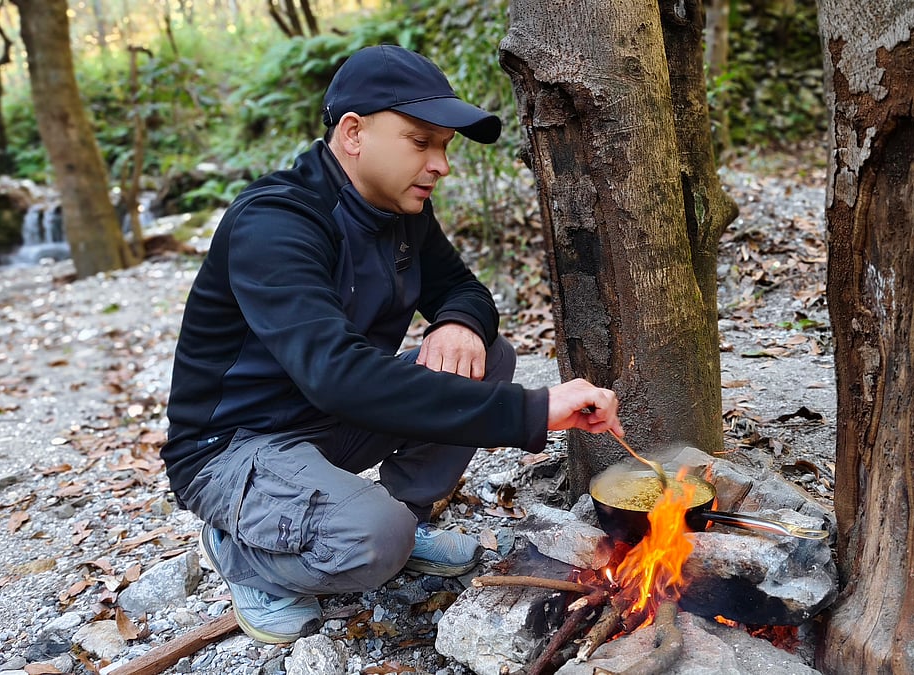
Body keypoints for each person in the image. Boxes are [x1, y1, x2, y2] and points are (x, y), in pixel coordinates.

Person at [159, 44, 624, 645]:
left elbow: (463, 288)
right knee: (373, 543)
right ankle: (244, 551)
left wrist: (457, 321)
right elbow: (339, 374)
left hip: (326, 421)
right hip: (234, 448)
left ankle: (405, 516)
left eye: (445, 146)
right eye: (420, 141)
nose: (440, 165)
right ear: (354, 133)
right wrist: (533, 411)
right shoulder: (276, 222)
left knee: (488, 356)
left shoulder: (398, 211)